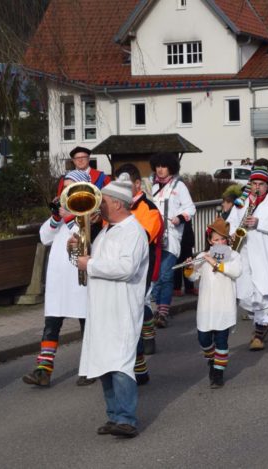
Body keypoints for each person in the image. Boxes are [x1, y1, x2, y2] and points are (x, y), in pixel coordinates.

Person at [73, 178, 149, 438]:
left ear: (117, 203)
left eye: (103, 201)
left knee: (120, 364)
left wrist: (90, 264)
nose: (98, 206)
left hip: (121, 308)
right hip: (102, 307)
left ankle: (127, 419)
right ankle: (114, 415)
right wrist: (77, 251)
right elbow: (91, 264)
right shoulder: (106, 231)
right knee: (104, 363)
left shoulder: (134, 231)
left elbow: (126, 269)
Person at [22, 170, 96, 388]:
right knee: (51, 325)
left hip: (80, 279)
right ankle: (43, 370)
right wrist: (56, 217)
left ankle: (90, 367)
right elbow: (44, 237)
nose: (66, 191)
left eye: (71, 187)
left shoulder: (92, 212)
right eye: (65, 187)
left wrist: (69, 217)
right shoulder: (64, 213)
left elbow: (84, 236)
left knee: (87, 324)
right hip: (58, 280)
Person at [227, 168, 268, 350]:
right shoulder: (242, 201)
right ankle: (264, 319)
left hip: (265, 252)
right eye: (254, 184)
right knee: (244, 292)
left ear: (267, 185)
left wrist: (259, 223)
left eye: (261, 184)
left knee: (263, 291)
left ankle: (258, 333)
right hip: (244, 250)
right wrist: (232, 233)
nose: (257, 187)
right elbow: (231, 221)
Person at [114, 168, 164, 385]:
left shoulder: (150, 209)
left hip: (141, 268)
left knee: (136, 309)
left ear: (137, 185)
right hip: (118, 266)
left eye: (124, 185)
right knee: (128, 312)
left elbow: (141, 239)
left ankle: (140, 360)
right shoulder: (113, 207)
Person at [184, 218, 240, 388]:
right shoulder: (202, 256)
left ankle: (217, 374)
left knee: (222, 341)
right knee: (203, 339)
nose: (220, 242)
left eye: (223, 239)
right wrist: (189, 267)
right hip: (206, 306)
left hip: (224, 305)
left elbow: (236, 272)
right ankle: (213, 359)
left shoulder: (233, 255)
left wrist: (215, 263)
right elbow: (193, 277)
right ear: (210, 241)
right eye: (216, 239)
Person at [149, 152, 196, 328]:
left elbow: (190, 208)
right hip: (152, 237)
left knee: (166, 275)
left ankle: (162, 313)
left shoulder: (179, 186)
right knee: (154, 275)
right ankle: (153, 308)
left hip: (171, 237)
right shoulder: (150, 186)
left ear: (171, 168)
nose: (160, 169)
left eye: (164, 166)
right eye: (158, 166)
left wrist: (180, 218)